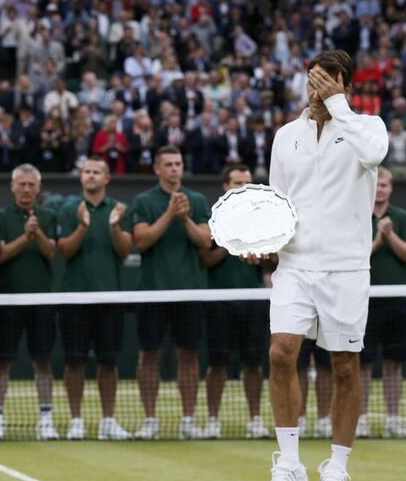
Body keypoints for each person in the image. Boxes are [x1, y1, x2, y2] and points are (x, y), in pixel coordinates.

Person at [259, 50, 388, 481]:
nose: (316, 91)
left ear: (344, 85)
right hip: (294, 266)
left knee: (345, 366)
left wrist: (338, 107)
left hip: (346, 268)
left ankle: (337, 468)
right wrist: (263, 242)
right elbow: (277, 201)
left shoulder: (368, 128)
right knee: (280, 353)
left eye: (326, 82)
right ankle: (290, 467)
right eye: (312, 82)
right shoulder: (285, 136)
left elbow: (374, 154)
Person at [130, 145, 211, 440]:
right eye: (168, 164)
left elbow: (205, 241)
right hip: (152, 292)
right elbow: (141, 241)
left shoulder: (197, 200)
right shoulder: (143, 200)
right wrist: (169, 213)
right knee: (148, 356)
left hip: (189, 293)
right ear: (157, 169)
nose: (174, 168)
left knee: (188, 356)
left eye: (178, 163)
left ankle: (188, 419)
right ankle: (150, 419)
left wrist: (185, 218)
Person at [56, 157, 133, 440]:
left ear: (107, 178)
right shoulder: (69, 209)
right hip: (75, 299)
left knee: (108, 363)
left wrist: (114, 226)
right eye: (86, 172)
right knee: (74, 362)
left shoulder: (119, 209)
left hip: (109, 299)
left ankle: (108, 421)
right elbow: (65, 251)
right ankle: (76, 420)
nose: (90, 176)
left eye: (96, 172)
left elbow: (125, 251)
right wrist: (82, 226)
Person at [199, 164, 271, 439]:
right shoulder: (213, 219)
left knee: (253, 364)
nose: (243, 187)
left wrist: (259, 252)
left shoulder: (264, 218)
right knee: (217, 364)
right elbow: (205, 261)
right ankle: (212, 420)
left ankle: (255, 419)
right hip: (220, 301)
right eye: (237, 183)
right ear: (226, 186)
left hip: (253, 300)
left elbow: (273, 262)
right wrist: (230, 242)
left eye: (247, 183)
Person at [0, 163, 58, 441]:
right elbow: (0, 255)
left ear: (38, 188)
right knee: (2, 363)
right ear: (13, 186)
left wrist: (37, 232)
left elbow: (52, 252)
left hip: (40, 301)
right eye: (22, 184)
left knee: (43, 362)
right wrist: (25, 235)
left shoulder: (49, 216)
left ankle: (46, 419)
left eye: (31, 185)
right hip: (7, 300)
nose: (26, 189)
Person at [358, 167, 406, 439]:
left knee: (394, 365)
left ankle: (393, 419)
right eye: (377, 184)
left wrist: (390, 235)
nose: (380, 189)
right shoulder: (357, 214)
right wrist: (379, 239)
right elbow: (355, 256)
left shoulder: (402, 218)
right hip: (364, 302)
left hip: (398, 303)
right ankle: (361, 420)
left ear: (391, 188)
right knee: (363, 365)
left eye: (384, 185)